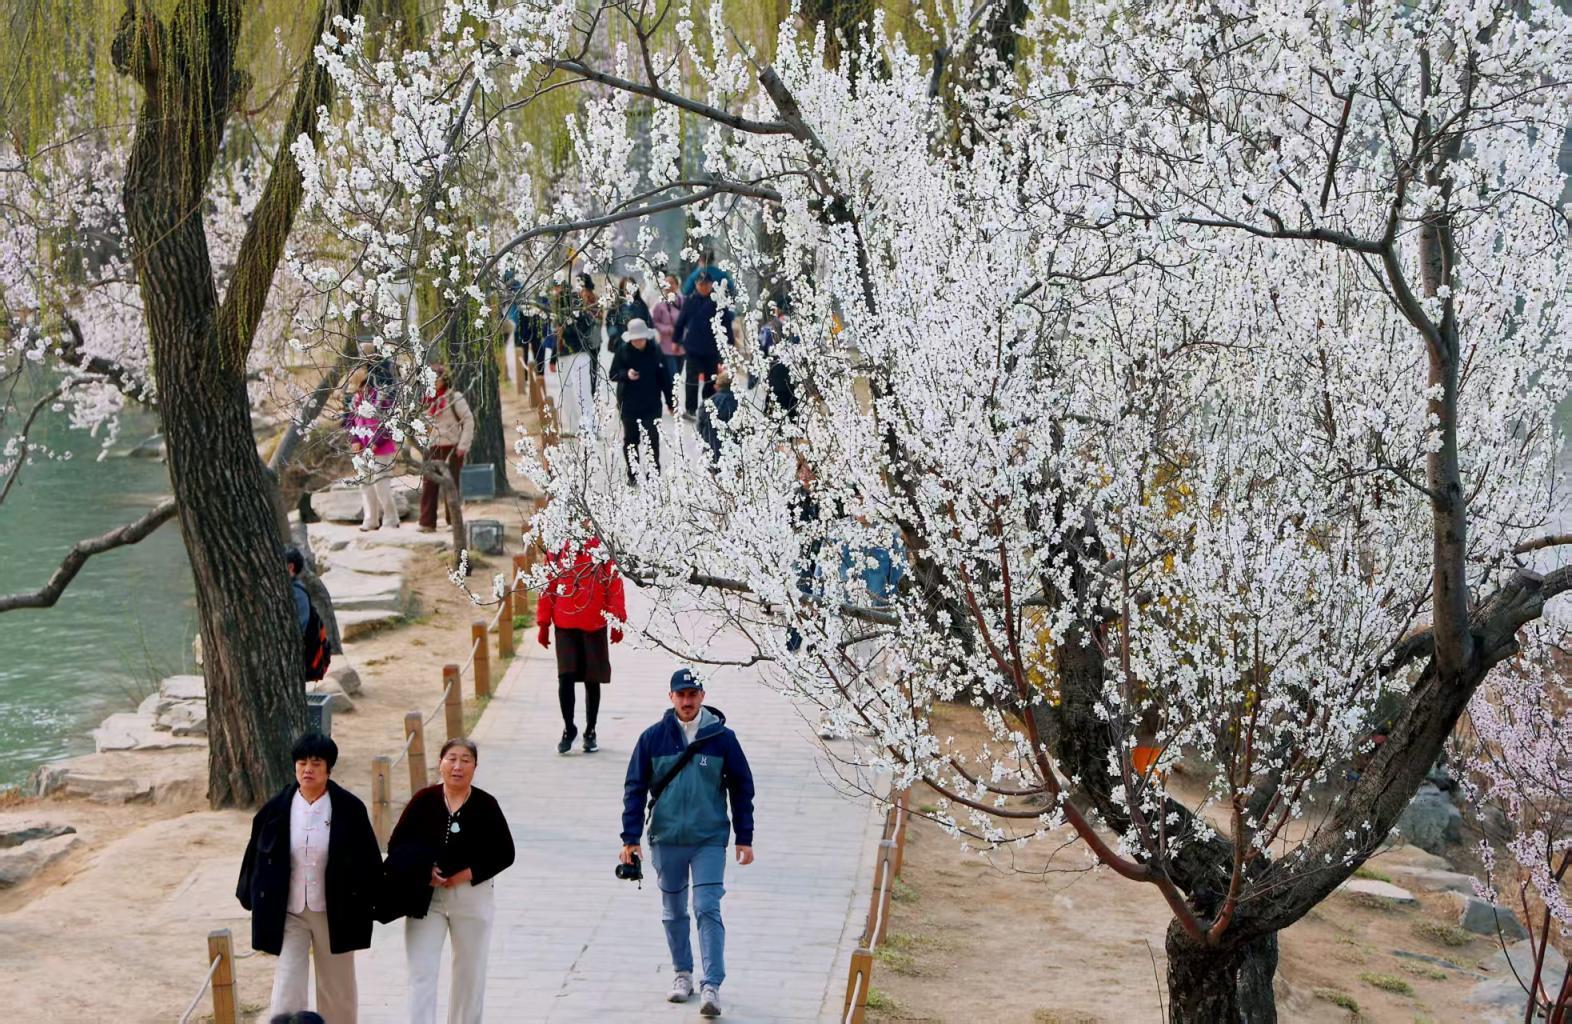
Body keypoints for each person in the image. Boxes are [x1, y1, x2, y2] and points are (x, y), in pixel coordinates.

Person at [621, 669, 755, 1018]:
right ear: (670, 698)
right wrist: (629, 838)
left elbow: (742, 788)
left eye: (692, 693)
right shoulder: (653, 738)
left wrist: (745, 837)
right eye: (680, 694)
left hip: (709, 838)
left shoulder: (723, 739)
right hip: (666, 838)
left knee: (707, 906)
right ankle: (683, 974)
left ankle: (712, 984)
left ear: (702, 695)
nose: (687, 700)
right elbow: (634, 789)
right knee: (674, 911)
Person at [238, 733, 381, 1024]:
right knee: (288, 982)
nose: (308, 769)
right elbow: (256, 856)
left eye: (316, 763)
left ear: (328, 769)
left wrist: (369, 902)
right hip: (290, 910)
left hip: (334, 910)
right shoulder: (276, 808)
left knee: (336, 986)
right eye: (302, 762)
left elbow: (368, 860)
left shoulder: (349, 809)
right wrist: (252, 897)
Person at [382, 738, 516, 1024]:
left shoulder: (485, 804)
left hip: (472, 897)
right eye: (451, 758)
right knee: (421, 971)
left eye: (466, 760)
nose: (458, 766)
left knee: (470, 973)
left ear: (475, 767)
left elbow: (505, 852)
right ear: (440, 763)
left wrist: (466, 873)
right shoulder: (423, 800)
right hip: (426, 899)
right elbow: (397, 844)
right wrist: (423, 869)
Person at [537, 534, 627, 754]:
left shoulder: (602, 546)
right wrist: (543, 623)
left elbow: (613, 583)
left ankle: (591, 730)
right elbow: (548, 584)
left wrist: (617, 619)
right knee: (565, 677)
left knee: (592, 679)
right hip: (565, 622)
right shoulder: (557, 546)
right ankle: (569, 728)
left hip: (594, 621)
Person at [608, 317, 674, 483]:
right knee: (631, 441)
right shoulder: (622, 351)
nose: (638, 342)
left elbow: (665, 378)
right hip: (629, 404)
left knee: (652, 440)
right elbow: (613, 374)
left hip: (651, 404)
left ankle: (653, 474)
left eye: (641, 338)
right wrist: (626, 374)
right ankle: (633, 473)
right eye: (635, 339)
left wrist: (670, 402)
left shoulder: (655, 351)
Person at [418, 364, 474, 534]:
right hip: (432, 447)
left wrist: (463, 445)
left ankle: (453, 521)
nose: (433, 382)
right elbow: (420, 425)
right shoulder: (425, 401)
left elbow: (468, 420)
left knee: (451, 485)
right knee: (429, 485)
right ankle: (427, 522)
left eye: (436, 379)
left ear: (444, 379)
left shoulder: (454, 397)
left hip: (452, 447)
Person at [345, 364, 400, 531]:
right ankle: (371, 520)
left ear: (366, 384)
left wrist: (374, 444)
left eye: (359, 387)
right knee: (365, 484)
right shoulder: (355, 401)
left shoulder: (381, 398)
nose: (357, 391)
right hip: (362, 449)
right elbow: (351, 424)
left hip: (381, 448)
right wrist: (354, 440)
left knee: (380, 484)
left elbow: (387, 425)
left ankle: (391, 518)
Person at [672, 270, 734, 417]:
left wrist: (729, 344)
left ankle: (708, 407)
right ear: (696, 285)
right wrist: (675, 340)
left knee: (710, 380)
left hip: (711, 348)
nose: (703, 287)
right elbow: (681, 322)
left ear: (711, 285)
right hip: (693, 347)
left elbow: (727, 324)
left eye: (705, 284)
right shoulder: (690, 300)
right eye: (700, 284)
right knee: (691, 380)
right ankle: (691, 409)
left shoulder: (718, 301)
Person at [555, 274, 602, 437]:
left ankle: (590, 426)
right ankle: (573, 426)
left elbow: (582, 328)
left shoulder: (575, 303)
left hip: (579, 352)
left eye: (557, 287)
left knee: (583, 390)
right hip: (563, 354)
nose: (555, 291)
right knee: (566, 391)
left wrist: (565, 330)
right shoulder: (554, 306)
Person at [285, 547, 332, 681]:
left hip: (301, 661)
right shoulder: (289, 589)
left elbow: (299, 629)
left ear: (290, 567)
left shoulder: (298, 594)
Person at [696, 368, 739, 466]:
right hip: (736, 452)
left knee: (714, 477)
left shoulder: (708, 403)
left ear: (717, 386)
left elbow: (700, 427)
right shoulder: (740, 403)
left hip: (713, 449)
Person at [651, 273, 685, 393]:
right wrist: (667, 329)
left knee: (678, 375)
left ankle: (673, 400)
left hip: (682, 345)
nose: (669, 286)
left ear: (677, 285)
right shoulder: (659, 304)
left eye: (672, 283)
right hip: (667, 346)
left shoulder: (683, 301)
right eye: (666, 283)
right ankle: (673, 402)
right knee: (673, 376)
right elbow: (654, 322)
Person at [606, 275, 652, 354]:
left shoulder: (641, 305)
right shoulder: (616, 305)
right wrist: (616, 336)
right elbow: (610, 323)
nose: (628, 290)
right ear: (622, 289)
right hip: (621, 344)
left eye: (631, 287)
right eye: (626, 288)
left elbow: (649, 323)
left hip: (638, 344)